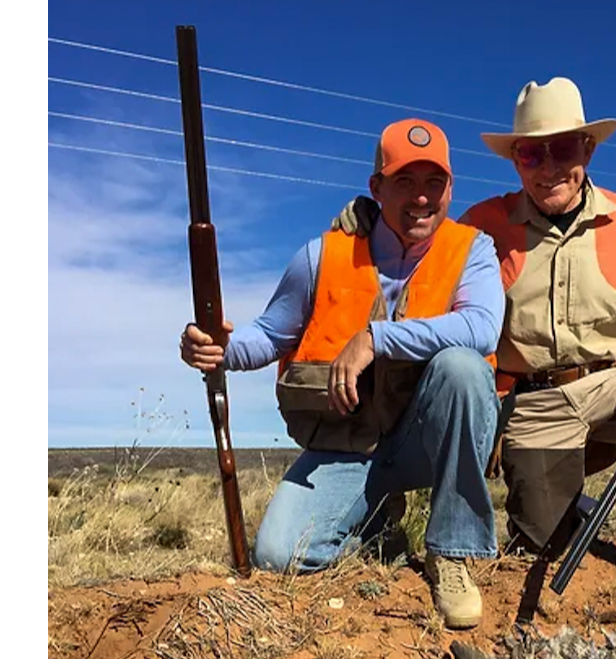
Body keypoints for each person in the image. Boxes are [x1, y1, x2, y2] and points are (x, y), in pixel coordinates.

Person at [333, 79, 616, 645]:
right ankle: (571, 513)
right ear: (516, 159)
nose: (548, 166)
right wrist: (374, 217)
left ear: (587, 150)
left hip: (615, 380)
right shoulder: (482, 225)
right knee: (541, 541)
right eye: (532, 152)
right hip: (534, 402)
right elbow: (420, 242)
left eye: (563, 149)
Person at [180, 119, 505, 630]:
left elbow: (483, 328)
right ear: (376, 187)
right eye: (404, 182)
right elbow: (269, 336)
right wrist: (218, 350)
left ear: (450, 189)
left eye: (433, 184)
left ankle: (452, 552)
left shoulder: (474, 251)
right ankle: (376, 529)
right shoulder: (320, 255)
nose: (421, 199)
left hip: (425, 444)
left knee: (463, 367)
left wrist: (377, 338)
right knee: (277, 556)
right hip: (348, 445)